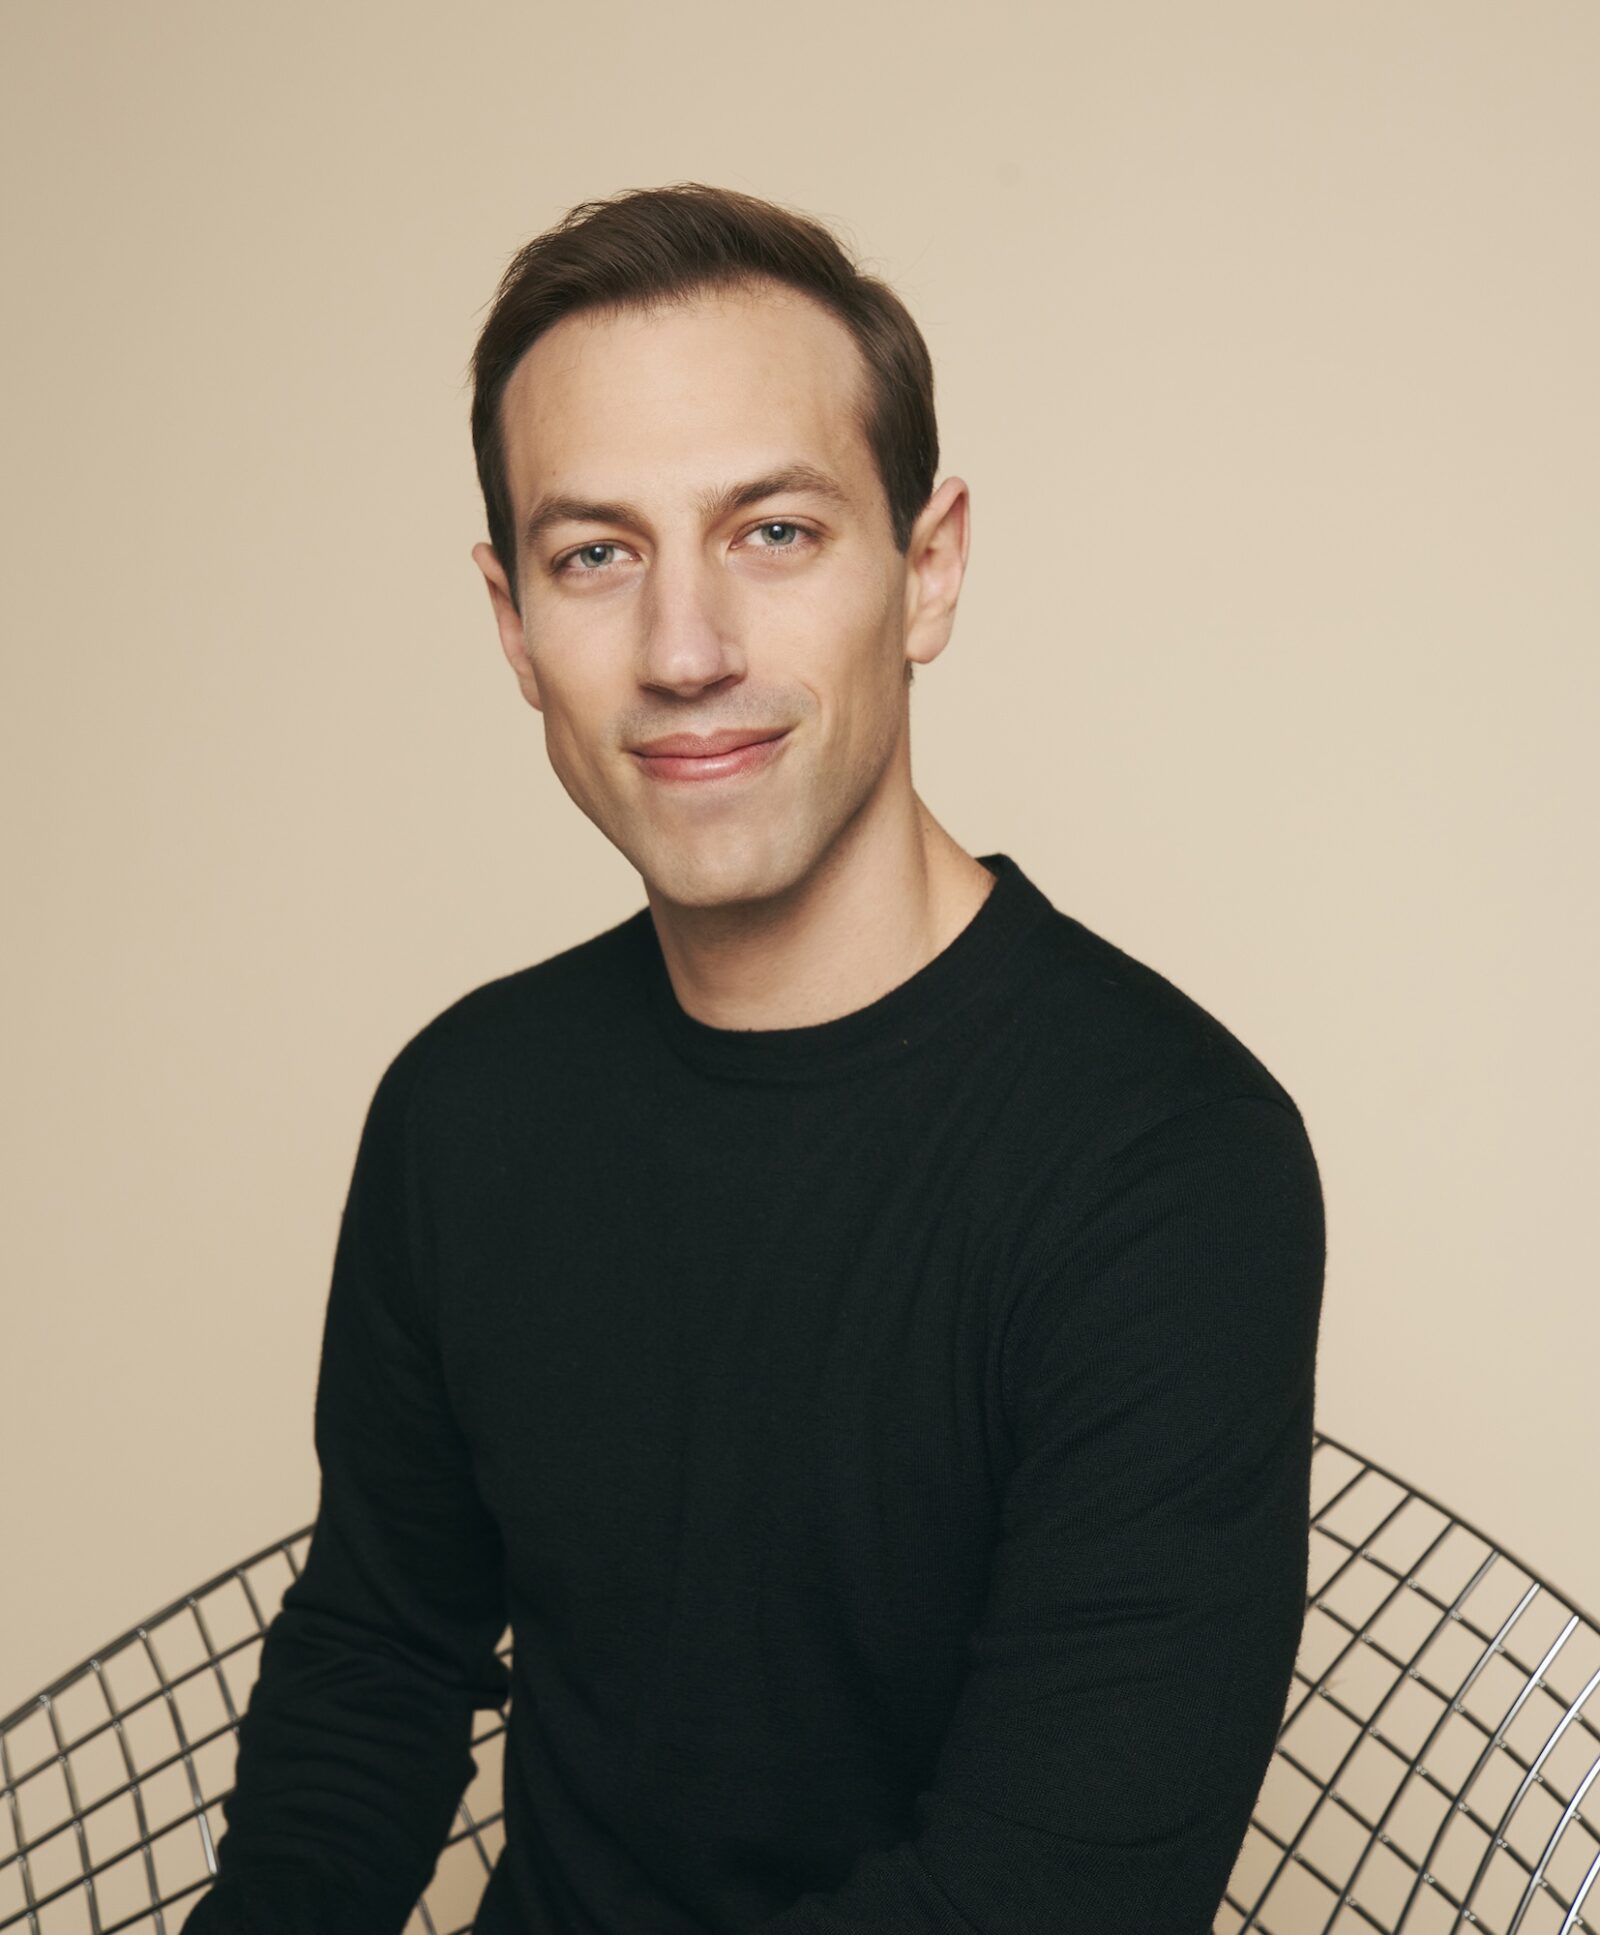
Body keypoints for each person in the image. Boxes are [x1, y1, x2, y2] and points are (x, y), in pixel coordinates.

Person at [186, 182, 1326, 1935]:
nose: (685, 650)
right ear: (511, 624)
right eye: (597, 555)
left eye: (774, 533)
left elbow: (1041, 1905)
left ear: (925, 569)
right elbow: (378, 1665)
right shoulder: (464, 1109)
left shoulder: (1168, 1165)